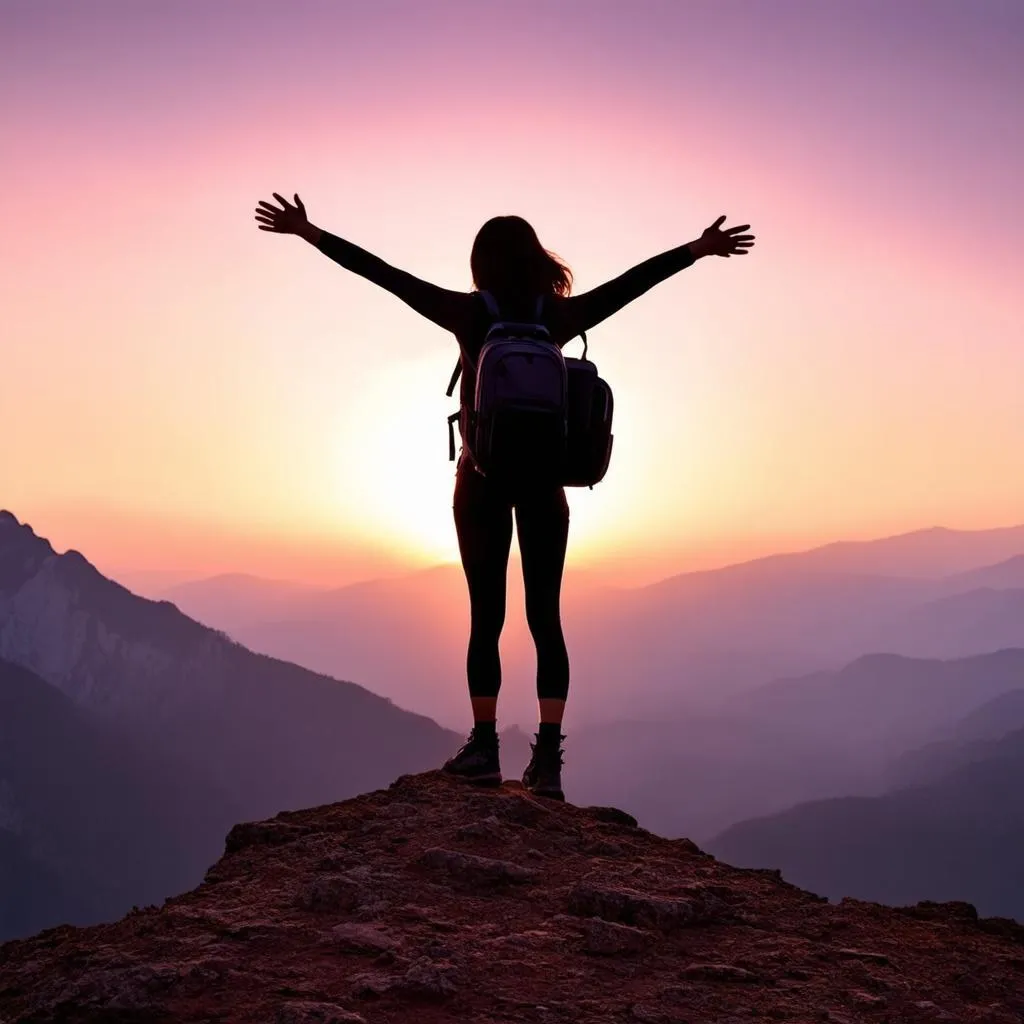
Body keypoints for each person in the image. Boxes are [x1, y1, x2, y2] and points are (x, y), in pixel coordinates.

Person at [254, 194, 755, 800]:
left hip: (482, 484)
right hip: (546, 488)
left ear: (482, 263)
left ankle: (485, 748)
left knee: (485, 617)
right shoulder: (558, 318)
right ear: (535, 259)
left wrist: (310, 232)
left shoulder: (471, 315)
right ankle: (547, 763)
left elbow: (382, 275)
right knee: (547, 620)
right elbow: (632, 285)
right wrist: (696, 251)